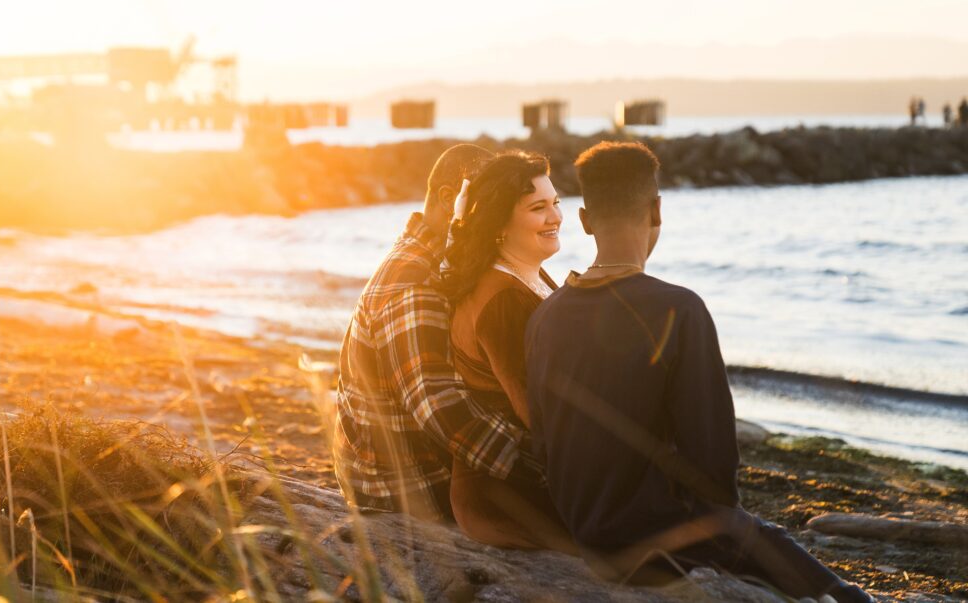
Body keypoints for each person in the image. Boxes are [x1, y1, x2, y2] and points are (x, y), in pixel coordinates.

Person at [525, 142, 872, 602]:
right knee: (802, 567)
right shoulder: (678, 309)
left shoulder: (544, 316)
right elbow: (714, 472)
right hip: (658, 541)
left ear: (586, 220)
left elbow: (545, 444)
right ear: (657, 210)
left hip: (583, 533)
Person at [332, 143, 543, 521]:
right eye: (489, 201)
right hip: (407, 492)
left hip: (414, 473)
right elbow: (439, 405)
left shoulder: (445, 261)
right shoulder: (414, 281)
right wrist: (541, 465)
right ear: (450, 199)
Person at [440, 151, 575, 552]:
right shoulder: (502, 300)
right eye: (538, 208)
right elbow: (541, 416)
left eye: (556, 203)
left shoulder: (524, 273)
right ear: (500, 223)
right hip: (511, 495)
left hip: (526, 478)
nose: (556, 217)